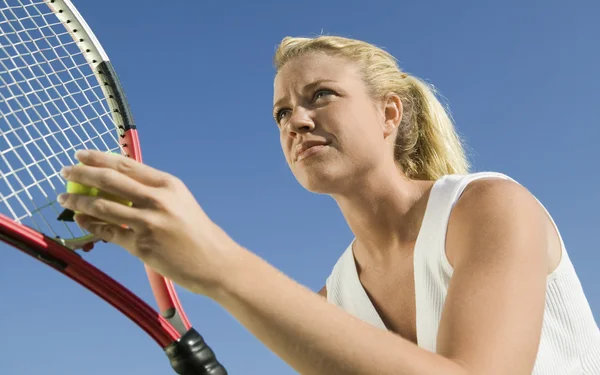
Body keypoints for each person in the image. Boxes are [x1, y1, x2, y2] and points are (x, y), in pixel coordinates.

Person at [57, 35, 600, 374]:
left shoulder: (489, 207)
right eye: (281, 113)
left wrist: (220, 266)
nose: (296, 120)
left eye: (321, 96)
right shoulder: (333, 303)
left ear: (390, 114)